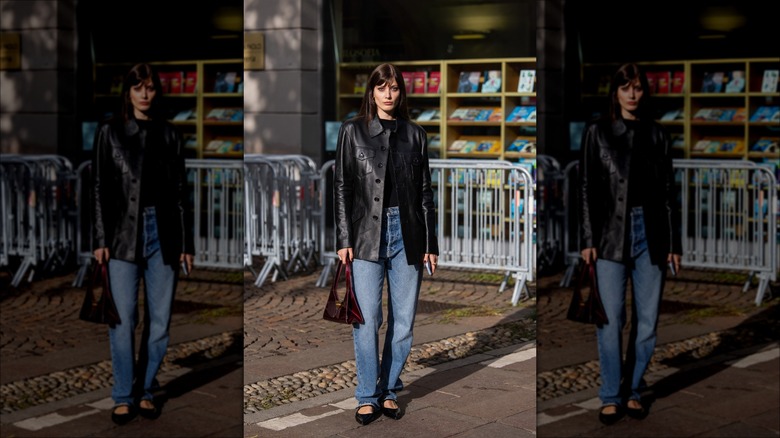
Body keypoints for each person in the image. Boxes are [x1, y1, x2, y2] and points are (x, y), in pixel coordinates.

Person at [334, 63, 439, 425]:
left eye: (394, 88)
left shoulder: (416, 134)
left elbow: (426, 192)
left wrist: (431, 242)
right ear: (372, 92)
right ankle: (366, 394)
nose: (389, 94)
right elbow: (343, 186)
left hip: (407, 234)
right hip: (365, 235)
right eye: (382, 88)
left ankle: (389, 389)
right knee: (367, 320)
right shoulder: (353, 131)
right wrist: (344, 238)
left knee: (404, 321)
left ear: (401, 92)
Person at [578, 63, 682, 425]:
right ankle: (610, 394)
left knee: (648, 322)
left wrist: (674, 243)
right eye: (626, 88)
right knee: (610, 321)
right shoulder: (598, 132)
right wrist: (588, 238)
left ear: (644, 91)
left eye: (637, 88)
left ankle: (634, 389)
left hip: (651, 234)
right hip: (609, 235)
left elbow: (670, 192)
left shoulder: (657, 134)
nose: (632, 94)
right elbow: (588, 187)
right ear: (616, 92)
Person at [92, 63, 194, 425]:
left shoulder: (170, 134)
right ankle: (123, 394)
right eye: (138, 88)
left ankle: (147, 388)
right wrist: (100, 238)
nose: (145, 94)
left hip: (163, 234)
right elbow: (101, 187)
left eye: (150, 88)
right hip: (122, 235)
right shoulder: (110, 132)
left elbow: (183, 191)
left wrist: (186, 244)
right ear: (128, 92)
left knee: (161, 322)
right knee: (122, 321)